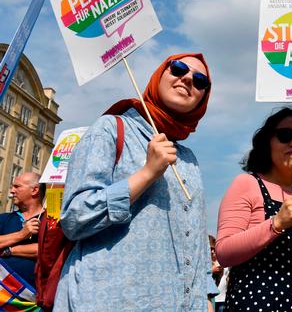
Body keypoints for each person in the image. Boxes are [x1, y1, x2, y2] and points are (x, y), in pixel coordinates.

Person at [55, 54, 216, 311]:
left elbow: (195, 239)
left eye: (200, 81)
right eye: (178, 69)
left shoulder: (189, 159)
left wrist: (205, 297)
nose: (187, 79)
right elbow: (75, 218)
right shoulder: (110, 128)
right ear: (158, 75)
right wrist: (147, 173)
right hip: (107, 301)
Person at [216, 107, 292, 311]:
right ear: (267, 143)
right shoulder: (247, 184)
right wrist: (276, 224)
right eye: (285, 135)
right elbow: (224, 252)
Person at [0, 173, 42, 292]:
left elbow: (48, 250)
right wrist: (21, 235)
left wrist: (8, 250)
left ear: (34, 190)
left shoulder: (51, 220)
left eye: (17, 186)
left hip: (32, 301)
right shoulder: (4, 218)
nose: (12, 190)